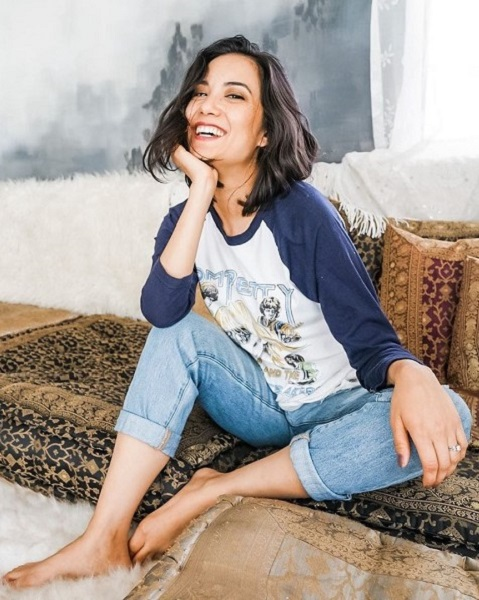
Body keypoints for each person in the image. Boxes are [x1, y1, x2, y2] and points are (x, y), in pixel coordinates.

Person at [3, 34, 471, 589]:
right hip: (262, 404)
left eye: (233, 96)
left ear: (265, 130)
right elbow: (162, 310)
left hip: (341, 404)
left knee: (453, 415)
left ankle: (218, 487)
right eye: (201, 94)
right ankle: (101, 537)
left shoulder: (303, 215)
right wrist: (201, 189)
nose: (207, 106)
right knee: (178, 334)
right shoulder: (186, 221)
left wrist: (413, 374)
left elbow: (370, 341)